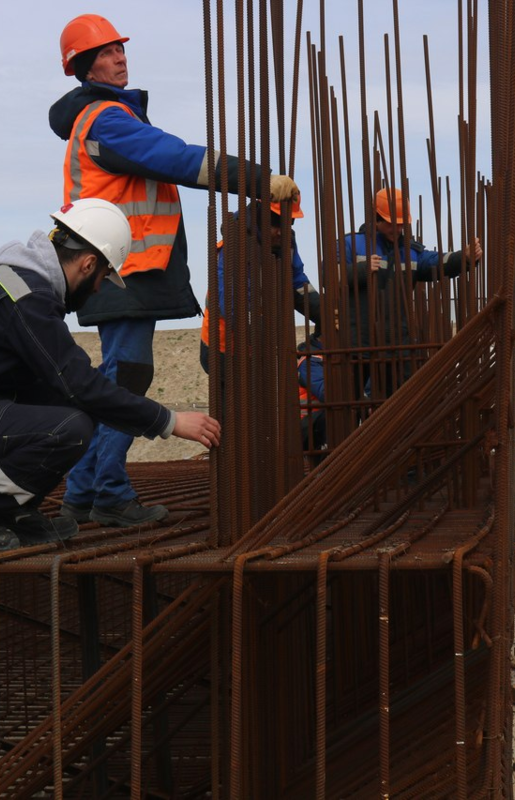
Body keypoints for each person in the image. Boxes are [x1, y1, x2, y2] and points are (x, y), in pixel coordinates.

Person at [50, 14, 299, 527]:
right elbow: (177, 158)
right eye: (107, 53)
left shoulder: (109, 118)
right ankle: (108, 493)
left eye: (121, 49)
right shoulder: (106, 121)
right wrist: (256, 179)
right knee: (126, 379)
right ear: (83, 65)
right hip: (123, 270)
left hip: (123, 268)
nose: (120, 58)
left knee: (120, 378)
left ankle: (85, 494)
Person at [0, 199, 222, 553]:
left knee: (66, 403)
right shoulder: (26, 298)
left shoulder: (18, 286)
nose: (98, 289)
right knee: (68, 429)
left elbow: (67, 382)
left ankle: (9, 509)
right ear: (88, 263)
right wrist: (169, 421)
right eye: (101, 279)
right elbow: (81, 385)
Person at [338, 187, 483, 401]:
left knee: (402, 404)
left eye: (400, 224)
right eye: (390, 223)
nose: (396, 229)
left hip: (399, 344)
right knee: (349, 403)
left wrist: (465, 257)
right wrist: (362, 270)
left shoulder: (410, 251)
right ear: (376, 217)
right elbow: (330, 276)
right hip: (359, 344)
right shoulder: (352, 244)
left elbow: (436, 262)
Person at [199, 197, 320, 374]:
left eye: (289, 222)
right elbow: (232, 304)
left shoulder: (286, 242)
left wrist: (324, 312)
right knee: (235, 400)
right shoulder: (236, 245)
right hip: (225, 348)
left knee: (262, 399)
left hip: (261, 344)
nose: (281, 231)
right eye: (276, 223)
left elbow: (297, 283)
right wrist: (267, 335)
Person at [297, 331, 326, 464]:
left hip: (316, 420)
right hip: (308, 424)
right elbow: (325, 393)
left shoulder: (321, 358)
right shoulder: (310, 361)